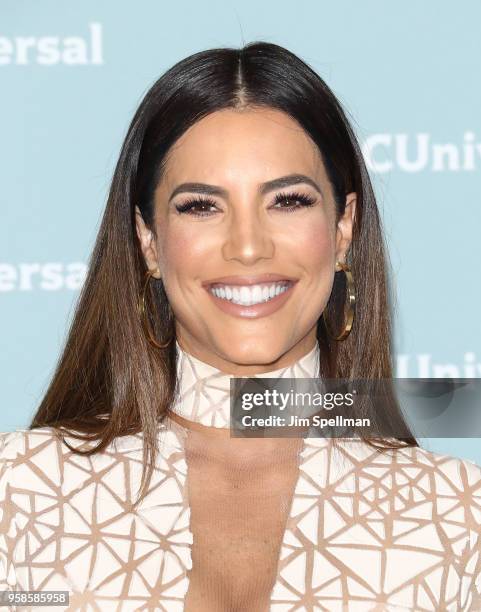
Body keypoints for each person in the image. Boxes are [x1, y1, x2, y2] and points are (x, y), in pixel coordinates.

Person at [1, 42, 480, 612]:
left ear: (345, 226)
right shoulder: (21, 492)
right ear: (148, 241)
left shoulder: (456, 517)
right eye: (201, 206)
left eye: (288, 201)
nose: (248, 246)